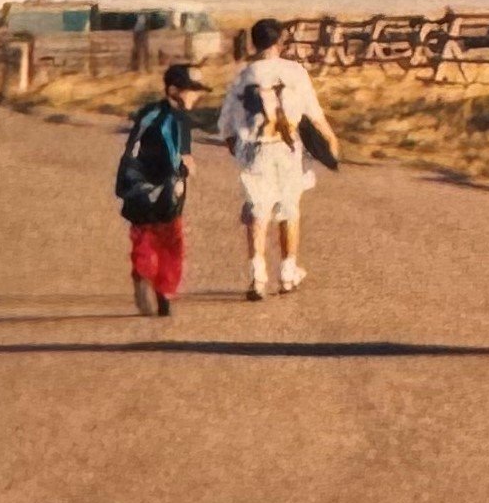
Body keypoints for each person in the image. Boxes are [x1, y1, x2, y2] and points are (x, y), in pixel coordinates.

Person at [219, 16, 332, 301]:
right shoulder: (294, 72)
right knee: (289, 208)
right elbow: (314, 113)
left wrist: (238, 149)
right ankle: (287, 272)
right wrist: (330, 139)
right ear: (280, 41)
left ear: (254, 43)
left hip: (256, 150)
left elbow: (226, 125)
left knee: (258, 210)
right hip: (288, 148)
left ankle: (258, 277)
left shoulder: (244, 77)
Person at [119, 62, 203, 317]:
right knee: (171, 241)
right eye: (191, 90)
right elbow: (183, 157)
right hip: (168, 189)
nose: (196, 96)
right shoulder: (179, 119)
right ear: (174, 90)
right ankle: (165, 289)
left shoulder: (148, 113)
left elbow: (132, 146)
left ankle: (144, 277)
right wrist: (188, 166)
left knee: (144, 237)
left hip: (139, 187)